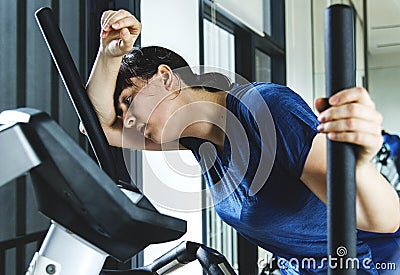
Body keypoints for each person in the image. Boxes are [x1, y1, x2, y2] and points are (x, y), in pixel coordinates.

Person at [85, 9, 400, 274]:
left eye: (129, 100)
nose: (126, 119)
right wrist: (110, 52)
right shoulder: (198, 142)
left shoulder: (265, 109)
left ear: (165, 77)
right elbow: (95, 125)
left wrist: (356, 164)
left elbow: (381, 220)